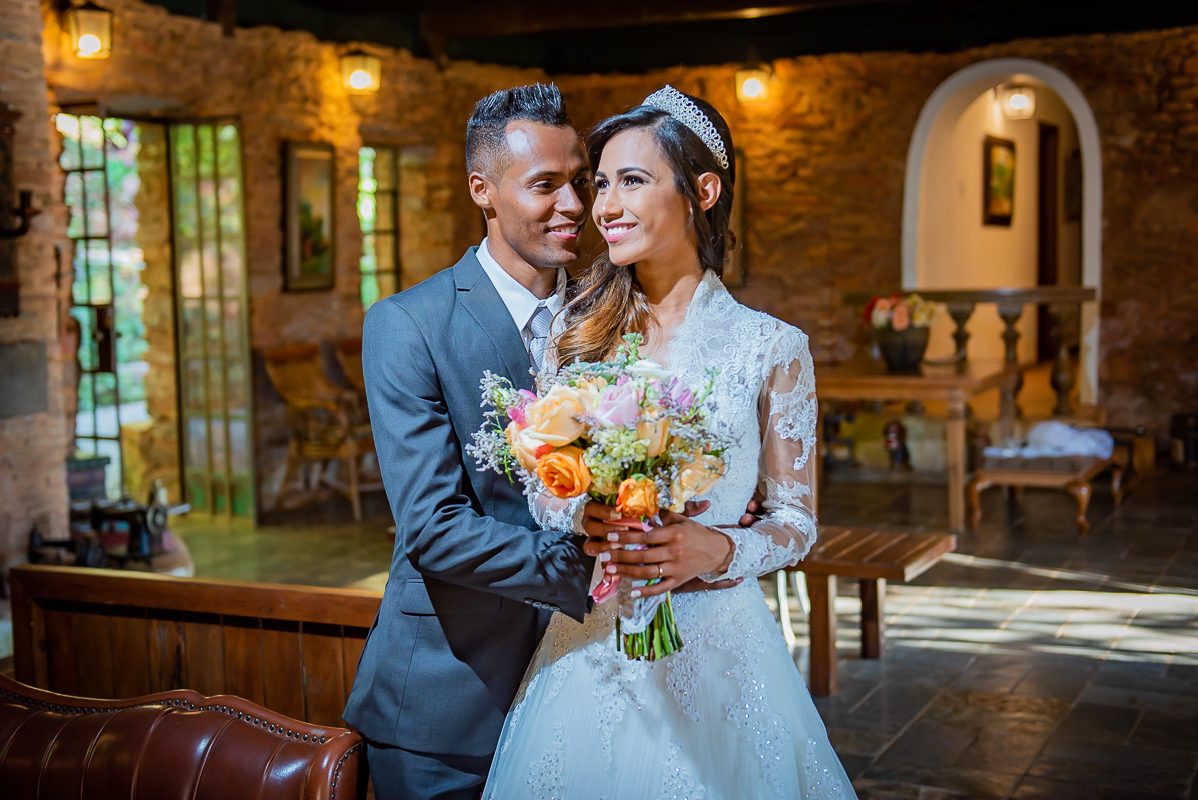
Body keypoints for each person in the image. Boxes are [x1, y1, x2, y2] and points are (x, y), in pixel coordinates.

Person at [343, 83, 742, 800]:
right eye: (544, 185)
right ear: (484, 191)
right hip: (452, 698)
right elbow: (431, 528)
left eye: (581, 182)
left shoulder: (616, 316)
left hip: (595, 694)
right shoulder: (410, 324)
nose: (574, 205)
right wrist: (597, 561)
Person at [482, 87, 857, 799]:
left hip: (718, 644)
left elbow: (796, 522)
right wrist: (585, 514)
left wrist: (716, 549)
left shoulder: (771, 347)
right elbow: (541, 491)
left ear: (702, 192)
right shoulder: (577, 332)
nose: (605, 206)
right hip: (594, 638)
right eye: (601, 184)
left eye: (632, 180)